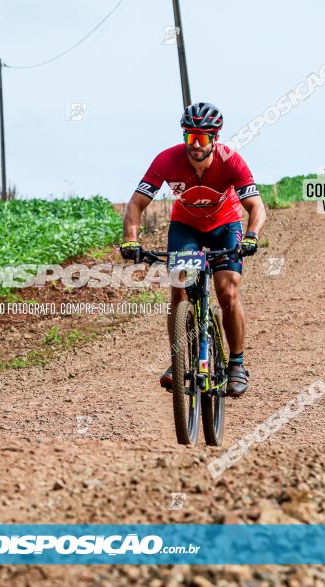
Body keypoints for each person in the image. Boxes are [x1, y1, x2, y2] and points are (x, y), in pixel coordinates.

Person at [120, 102, 266, 397]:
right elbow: (136, 203)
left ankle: (236, 364)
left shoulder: (231, 161)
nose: (195, 145)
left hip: (225, 226)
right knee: (179, 288)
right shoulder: (167, 160)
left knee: (227, 291)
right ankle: (178, 361)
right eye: (189, 137)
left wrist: (251, 236)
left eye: (201, 138)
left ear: (215, 138)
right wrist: (131, 240)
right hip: (185, 226)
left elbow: (256, 207)